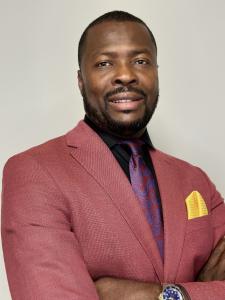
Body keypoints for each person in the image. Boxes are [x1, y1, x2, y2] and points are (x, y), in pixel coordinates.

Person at [1, 10, 225, 300]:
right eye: (105, 63)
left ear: (156, 72)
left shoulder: (195, 181)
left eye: (140, 61)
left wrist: (166, 294)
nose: (125, 75)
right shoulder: (33, 172)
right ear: (81, 81)